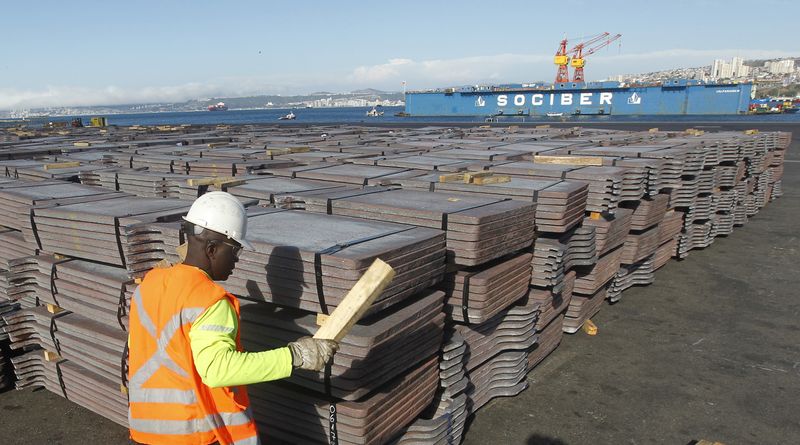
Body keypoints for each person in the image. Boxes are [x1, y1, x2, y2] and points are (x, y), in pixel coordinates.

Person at [127, 191, 338, 445]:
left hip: (144, 431)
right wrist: (295, 356)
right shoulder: (210, 300)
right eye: (235, 250)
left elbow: (151, 350)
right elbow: (218, 370)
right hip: (192, 436)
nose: (236, 260)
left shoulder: (150, 284)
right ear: (212, 249)